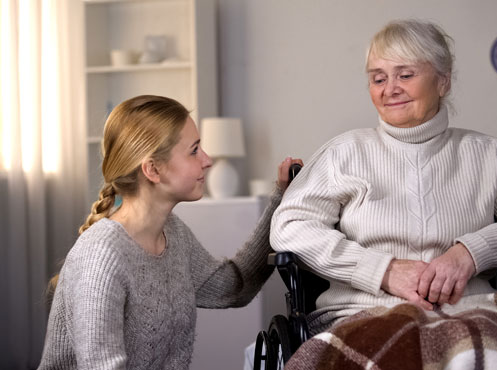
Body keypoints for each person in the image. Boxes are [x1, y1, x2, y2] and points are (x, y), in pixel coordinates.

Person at [270, 19, 497, 344]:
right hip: (362, 315)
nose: (390, 89)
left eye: (405, 74)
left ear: (443, 81)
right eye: (378, 78)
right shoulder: (343, 153)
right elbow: (289, 226)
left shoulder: (485, 154)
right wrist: (383, 270)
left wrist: (469, 254)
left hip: (471, 312)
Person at [38, 95, 303, 369]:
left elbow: (234, 288)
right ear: (153, 169)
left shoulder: (172, 234)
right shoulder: (102, 255)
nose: (207, 160)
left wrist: (280, 200)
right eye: (194, 150)